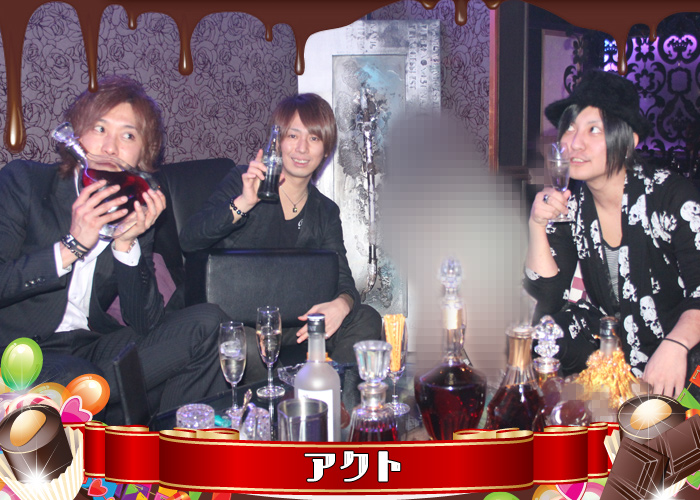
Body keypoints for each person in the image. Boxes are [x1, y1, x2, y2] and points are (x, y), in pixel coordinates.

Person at [0, 75, 229, 423]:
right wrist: (72, 246)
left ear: (142, 155)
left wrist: (126, 244)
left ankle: (175, 441)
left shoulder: (133, 210)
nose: (110, 147)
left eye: (128, 136)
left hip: (90, 346)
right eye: (100, 128)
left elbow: (145, 323)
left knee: (210, 324)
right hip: (20, 352)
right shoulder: (25, 182)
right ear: (77, 136)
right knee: (81, 378)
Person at [180, 93, 382, 382]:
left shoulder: (325, 211)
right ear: (277, 142)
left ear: (326, 149)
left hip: (295, 327)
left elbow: (343, 279)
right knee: (243, 344)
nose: (302, 148)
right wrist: (243, 203)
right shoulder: (243, 180)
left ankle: (334, 395)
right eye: (293, 135)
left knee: (366, 317)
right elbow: (189, 239)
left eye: (314, 138)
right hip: (239, 323)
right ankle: (282, 399)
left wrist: (343, 303)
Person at [524, 70, 700, 398]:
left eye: (594, 129)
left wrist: (676, 344)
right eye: (570, 128)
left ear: (628, 140)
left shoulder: (672, 197)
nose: (574, 142)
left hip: (681, 343)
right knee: (548, 334)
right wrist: (537, 225)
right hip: (618, 343)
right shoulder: (573, 205)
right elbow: (546, 301)